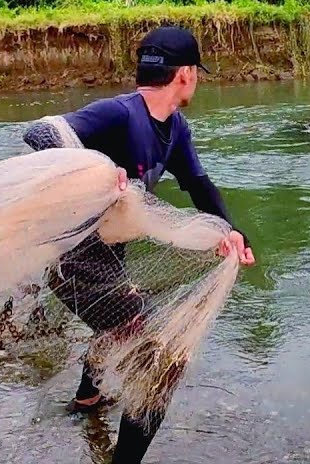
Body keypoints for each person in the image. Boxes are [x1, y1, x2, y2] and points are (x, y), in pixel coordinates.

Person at [19, 25, 255, 464]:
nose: (196, 82)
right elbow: (41, 135)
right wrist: (92, 172)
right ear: (184, 75)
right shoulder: (120, 114)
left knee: (121, 322)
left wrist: (230, 229)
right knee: (158, 357)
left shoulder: (174, 128)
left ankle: (87, 401)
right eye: (196, 74)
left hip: (108, 261)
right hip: (72, 261)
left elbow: (198, 185)